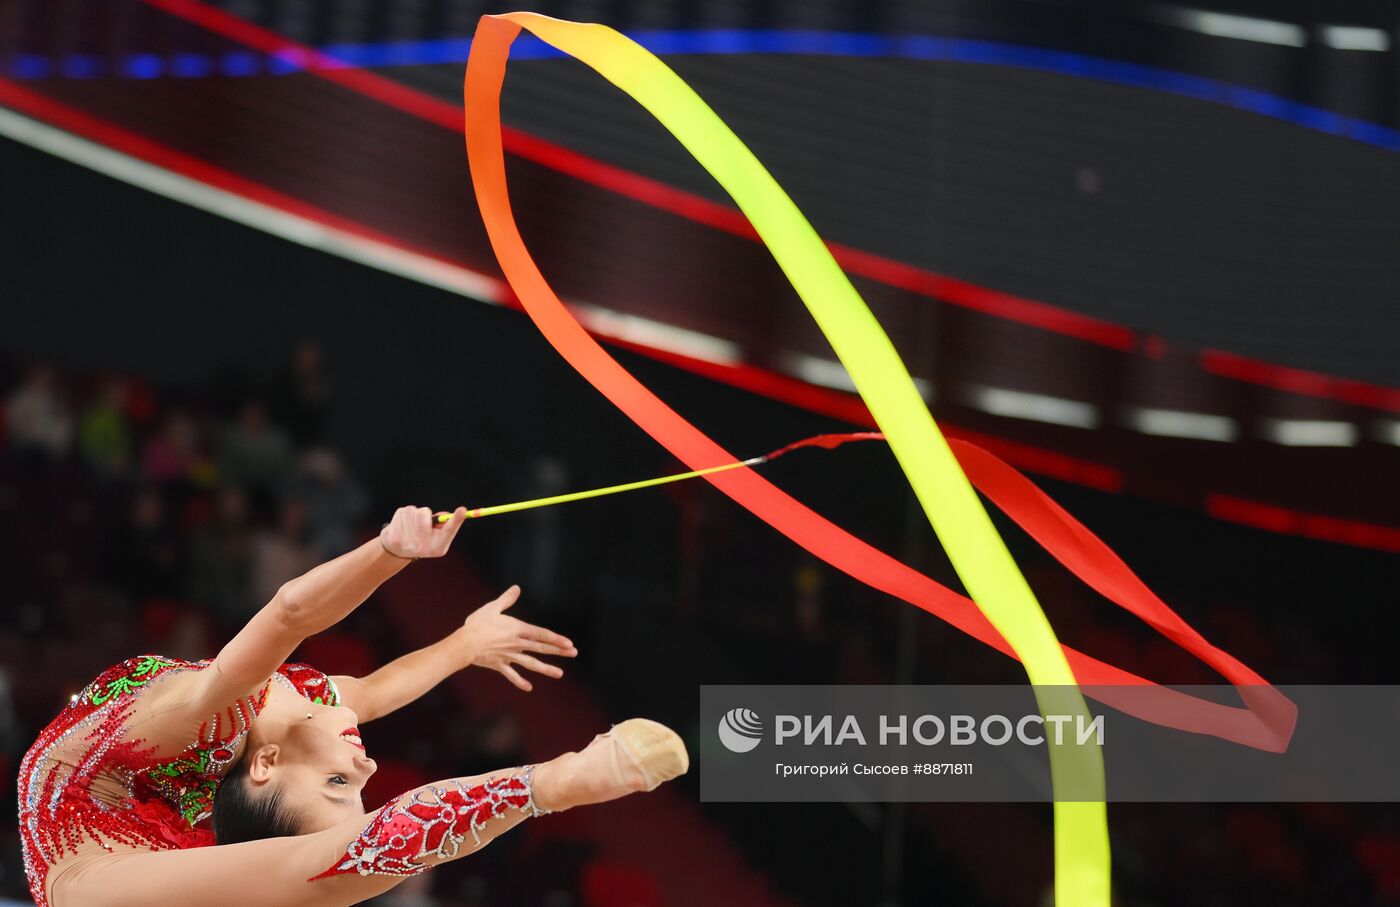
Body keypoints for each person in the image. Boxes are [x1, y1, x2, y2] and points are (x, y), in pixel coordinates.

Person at [20, 505, 688, 907]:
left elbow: (287, 612)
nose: (367, 772)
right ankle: (554, 783)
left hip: (88, 862)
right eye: (352, 785)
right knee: (317, 873)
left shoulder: (213, 716)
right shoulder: (295, 709)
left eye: (338, 781)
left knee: (321, 873)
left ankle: (555, 784)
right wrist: (464, 643)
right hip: (159, 832)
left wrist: (388, 553)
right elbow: (371, 693)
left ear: (267, 764)